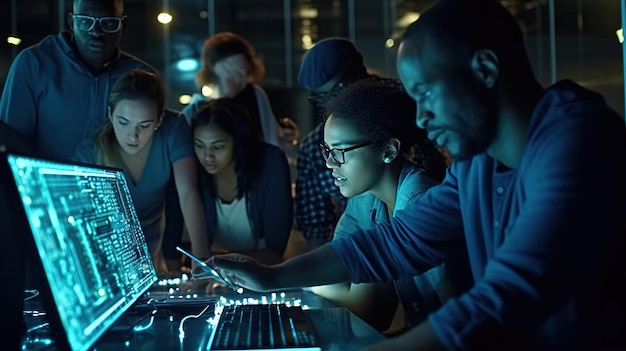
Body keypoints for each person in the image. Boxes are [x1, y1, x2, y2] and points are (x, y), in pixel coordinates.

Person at [208, 0, 626, 350]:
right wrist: (272, 276)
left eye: (425, 93)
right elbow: (398, 241)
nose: (422, 119)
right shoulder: (476, 161)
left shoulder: (577, 140)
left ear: (483, 69)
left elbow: (508, 295)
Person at [310, 78, 466, 332]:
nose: (329, 163)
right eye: (326, 150)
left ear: (389, 150)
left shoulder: (419, 200)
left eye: (340, 151)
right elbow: (370, 312)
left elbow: (463, 322)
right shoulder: (366, 199)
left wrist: (300, 281)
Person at [294, 37, 448, 250]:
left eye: (340, 150)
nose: (330, 163)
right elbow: (336, 250)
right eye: (323, 99)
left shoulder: (414, 110)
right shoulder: (362, 196)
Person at [74, 69, 210, 273]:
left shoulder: (174, 128)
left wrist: (201, 260)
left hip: (153, 237)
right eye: (123, 122)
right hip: (106, 243)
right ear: (110, 114)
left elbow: (188, 192)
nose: (133, 135)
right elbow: (82, 220)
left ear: (159, 120)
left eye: (144, 125)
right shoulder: (91, 151)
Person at [0, 0, 154, 162]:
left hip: (112, 185)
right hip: (44, 182)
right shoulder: (35, 64)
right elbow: (11, 142)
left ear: (123, 25)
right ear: (71, 22)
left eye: (108, 23)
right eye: (85, 21)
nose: (96, 32)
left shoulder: (139, 77)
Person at [192, 98, 292, 266]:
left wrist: (221, 262)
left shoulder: (271, 163)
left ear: (239, 142)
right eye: (199, 145)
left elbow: (275, 251)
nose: (207, 156)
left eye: (218, 147)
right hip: (211, 276)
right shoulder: (194, 169)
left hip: (262, 275)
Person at [182, 32, 298, 150]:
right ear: (213, 66)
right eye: (231, 71)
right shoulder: (194, 110)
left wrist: (284, 137)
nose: (238, 79)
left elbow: (272, 142)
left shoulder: (255, 96)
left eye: (243, 74)